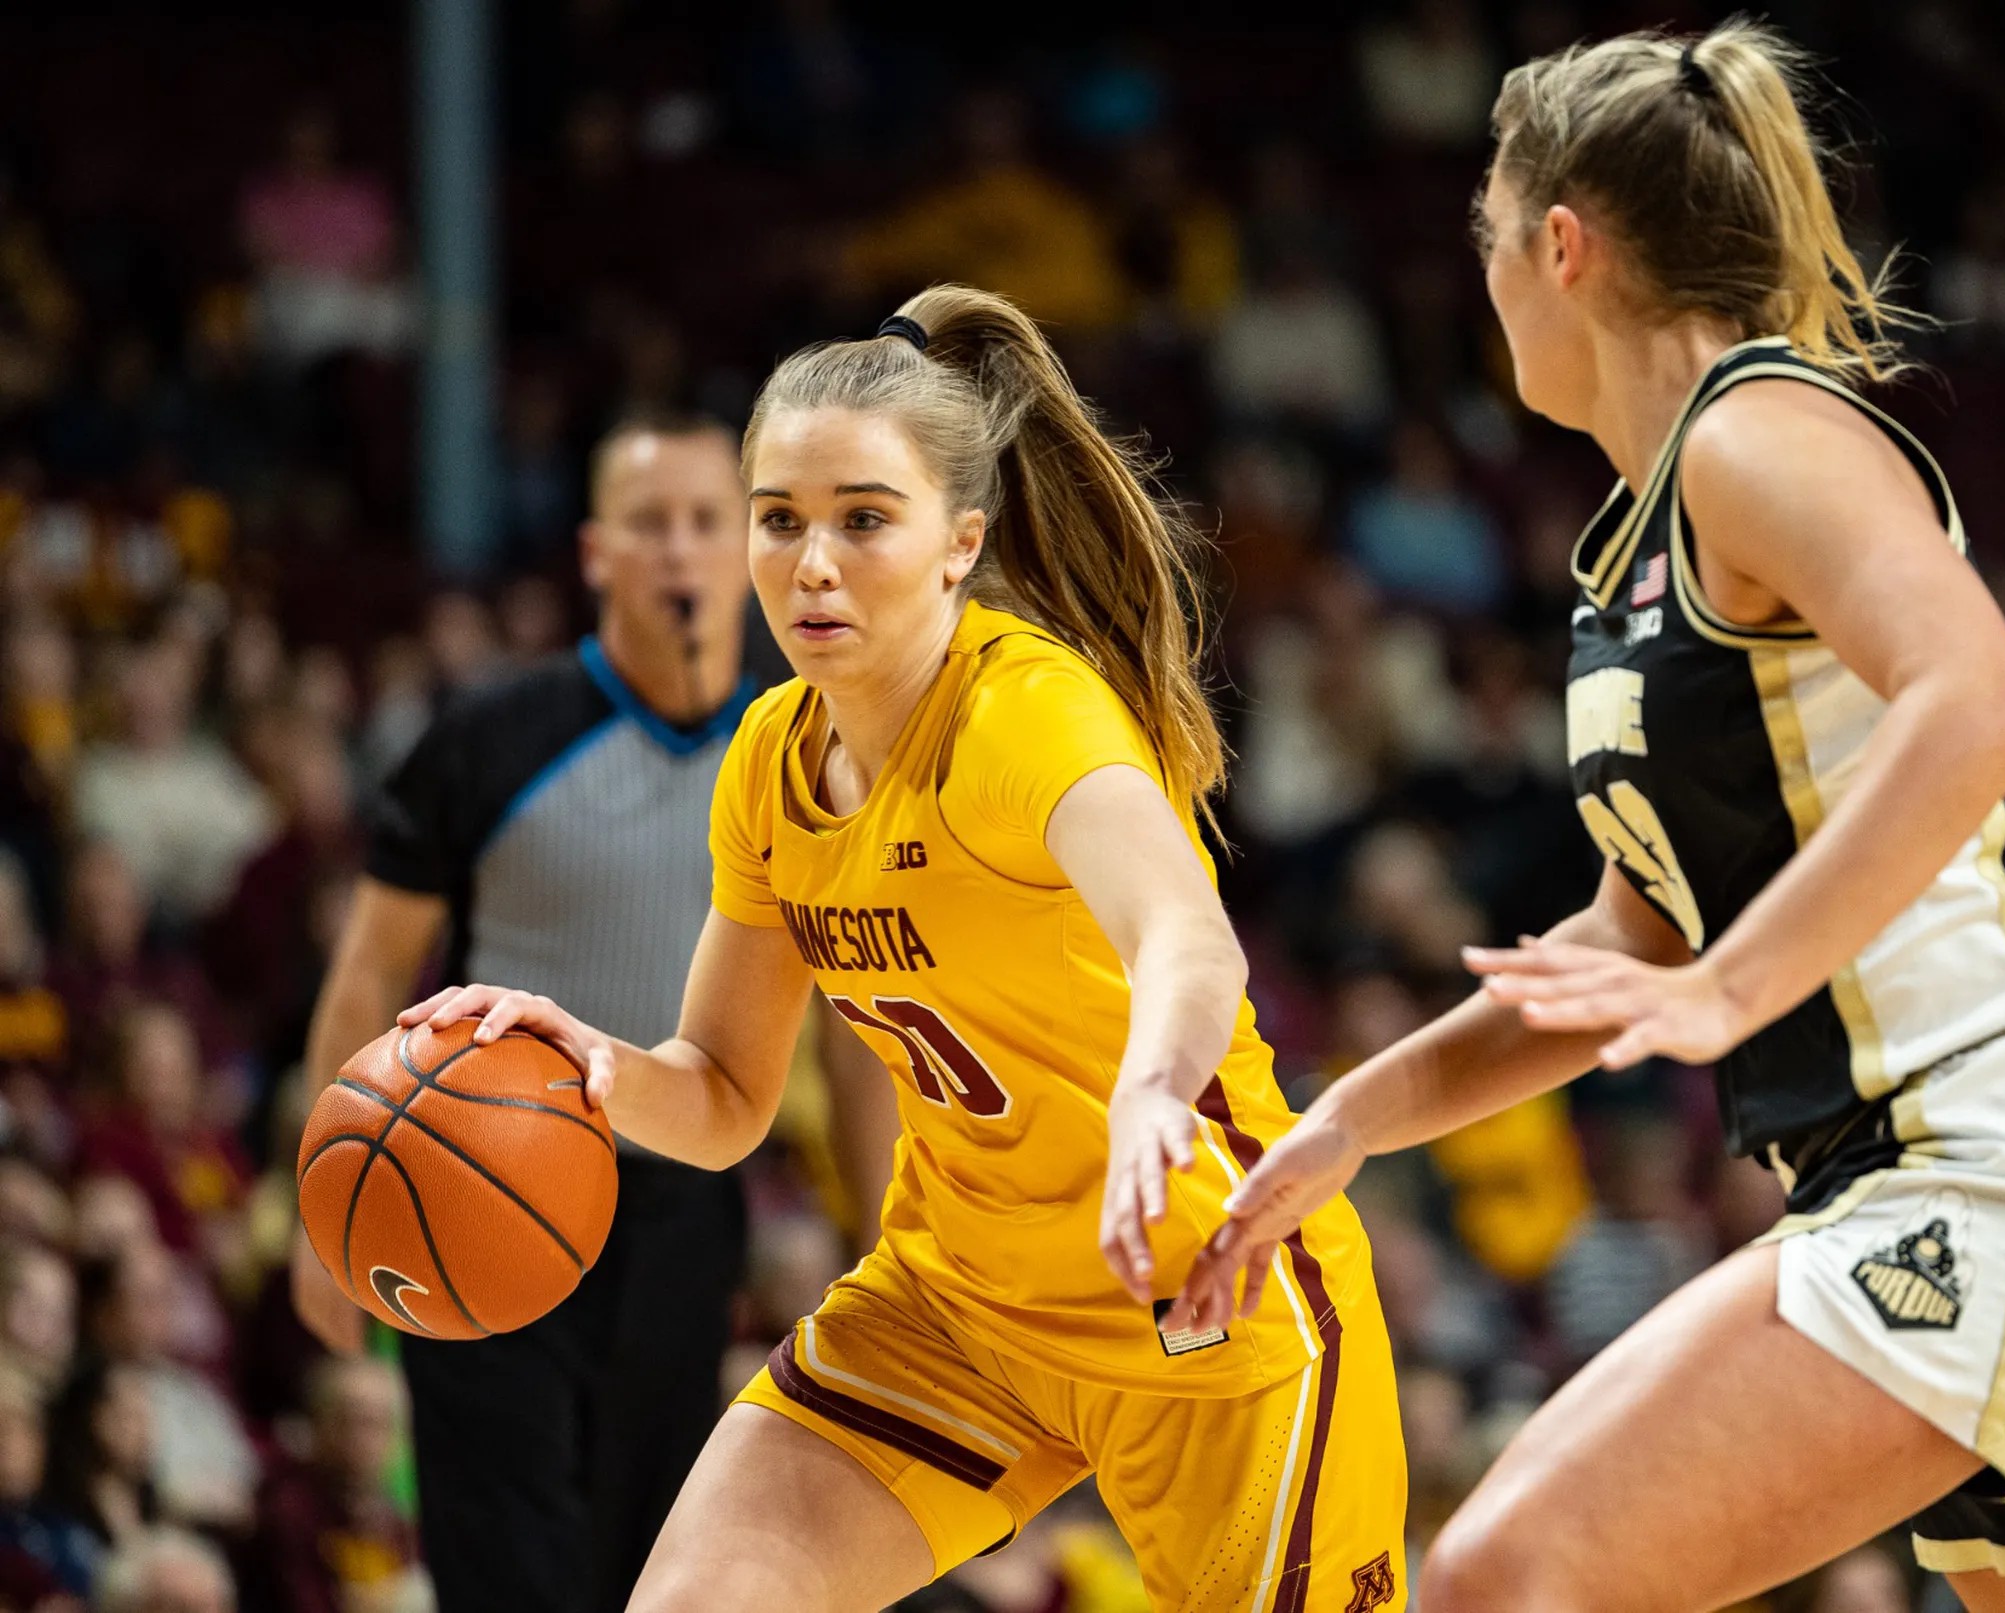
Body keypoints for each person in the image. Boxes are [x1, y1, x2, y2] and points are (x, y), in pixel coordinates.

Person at [1176, 23, 2005, 1613]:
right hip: (1999, 1182)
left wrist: (1726, 990)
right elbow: (1630, 943)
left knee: (1504, 1579)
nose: (1480, 281)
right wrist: (1349, 1121)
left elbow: (1984, 700)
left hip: (1994, 1161)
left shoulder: (1759, 434)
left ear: (1559, 244)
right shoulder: (1639, 548)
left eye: (1486, 237)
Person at [405, 286, 1405, 1613]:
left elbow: (1186, 933)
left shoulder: (1023, 717)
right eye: (781, 521)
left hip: (1206, 1307)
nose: (811, 563)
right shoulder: (767, 762)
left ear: (959, 543)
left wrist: (1159, 1087)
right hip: (961, 1306)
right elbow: (718, 1094)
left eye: (863, 520)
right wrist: (584, 1062)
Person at [290, 410, 893, 1613]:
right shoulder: (484, 739)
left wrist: (878, 1233)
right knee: (503, 1565)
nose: (680, 552)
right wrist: (320, 1214)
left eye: (708, 523)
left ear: (753, 548)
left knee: (658, 1566)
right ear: (595, 553)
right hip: (469, 1171)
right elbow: (366, 978)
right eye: (649, 524)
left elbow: (857, 1028)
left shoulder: (815, 751)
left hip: (684, 1195)